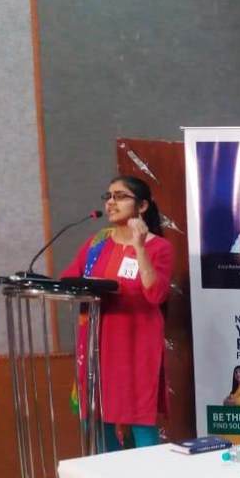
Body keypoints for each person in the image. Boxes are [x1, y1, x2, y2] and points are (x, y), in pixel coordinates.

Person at [61, 175, 173, 451]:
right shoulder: (97, 243)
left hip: (136, 344)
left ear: (142, 206)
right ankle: (107, 473)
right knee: (98, 418)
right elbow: (69, 279)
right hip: (97, 342)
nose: (111, 202)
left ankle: (147, 476)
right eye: (108, 196)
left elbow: (156, 294)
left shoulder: (159, 247)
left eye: (120, 196)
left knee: (139, 418)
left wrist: (139, 246)